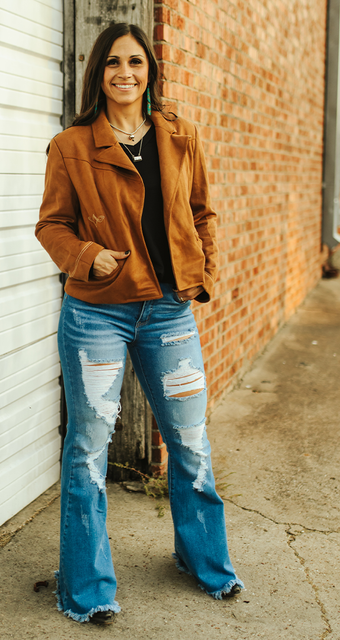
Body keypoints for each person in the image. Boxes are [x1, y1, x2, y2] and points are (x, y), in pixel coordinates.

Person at [35, 22, 244, 625]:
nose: (125, 72)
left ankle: (203, 563)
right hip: (98, 312)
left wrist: (200, 269)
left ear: (150, 70)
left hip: (170, 313)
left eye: (136, 62)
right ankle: (86, 589)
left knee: (190, 439)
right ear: (97, 73)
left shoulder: (179, 135)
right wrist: (85, 257)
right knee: (87, 449)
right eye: (112, 64)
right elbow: (52, 225)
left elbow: (200, 211)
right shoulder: (71, 145)